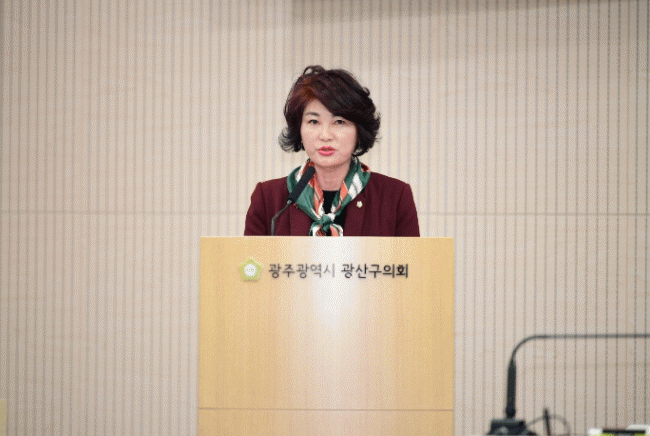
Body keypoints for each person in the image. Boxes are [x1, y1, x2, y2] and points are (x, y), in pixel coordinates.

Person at [244, 65, 419, 236]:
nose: (325, 135)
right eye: (314, 122)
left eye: (339, 122)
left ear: (359, 131)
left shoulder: (395, 198)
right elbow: (250, 257)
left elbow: (411, 257)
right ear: (299, 129)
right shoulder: (268, 200)